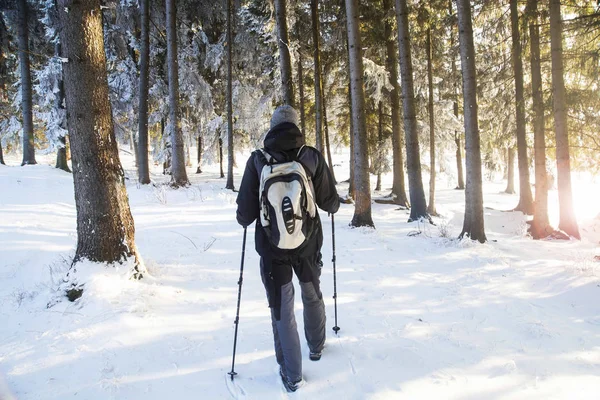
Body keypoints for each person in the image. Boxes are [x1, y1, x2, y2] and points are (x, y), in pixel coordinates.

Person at [236, 105, 340, 392]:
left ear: (271, 127)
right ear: (296, 126)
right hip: (307, 241)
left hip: (272, 247)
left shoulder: (257, 160)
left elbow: (245, 213)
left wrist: (244, 217)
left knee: (282, 308)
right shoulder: (311, 156)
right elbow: (329, 203)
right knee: (311, 291)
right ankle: (316, 346)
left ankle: (292, 374)